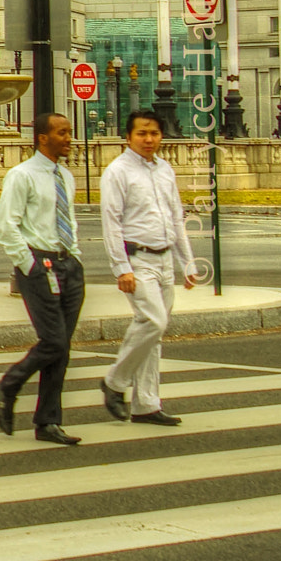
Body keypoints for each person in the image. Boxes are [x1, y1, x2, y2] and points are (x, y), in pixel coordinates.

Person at [98, 110, 198, 427]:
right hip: (137, 259)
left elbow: (175, 217)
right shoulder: (117, 172)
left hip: (165, 258)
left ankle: (146, 404)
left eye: (154, 133)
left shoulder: (165, 169)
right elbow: (111, 224)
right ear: (128, 137)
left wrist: (188, 261)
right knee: (153, 321)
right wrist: (121, 269)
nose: (149, 139)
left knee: (154, 333)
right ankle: (114, 382)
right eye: (142, 133)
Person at [0, 111, 84, 445]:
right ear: (43, 138)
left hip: (68, 265)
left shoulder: (66, 176)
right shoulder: (22, 176)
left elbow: (68, 220)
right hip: (39, 266)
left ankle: (48, 422)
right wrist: (29, 264)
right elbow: (7, 225)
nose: (68, 138)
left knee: (61, 348)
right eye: (61, 133)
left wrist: (74, 257)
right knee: (54, 340)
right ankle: (9, 385)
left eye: (69, 132)